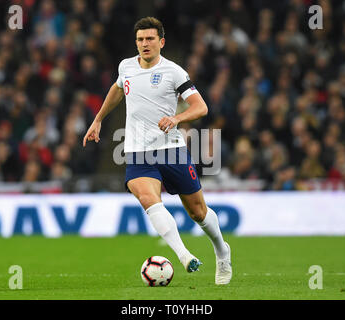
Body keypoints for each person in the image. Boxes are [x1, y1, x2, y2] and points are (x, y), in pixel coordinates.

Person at [82, 17, 232, 285]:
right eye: (140, 40)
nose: (144, 44)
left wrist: (176, 118)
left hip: (171, 150)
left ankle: (222, 249)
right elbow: (117, 90)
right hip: (138, 153)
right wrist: (98, 119)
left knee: (198, 212)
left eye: (150, 39)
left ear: (161, 42)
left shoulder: (174, 72)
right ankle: (184, 256)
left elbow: (201, 107)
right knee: (149, 200)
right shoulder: (126, 67)